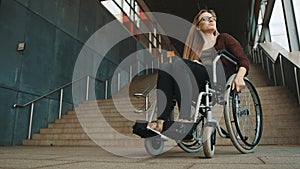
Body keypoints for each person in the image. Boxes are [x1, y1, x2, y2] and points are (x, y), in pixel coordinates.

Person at [148, 9, 250, 132]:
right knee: (166, 67)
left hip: (220, 79)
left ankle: (185, 119)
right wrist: (195, 65)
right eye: (205, 19)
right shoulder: (195, 48)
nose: (211, 20)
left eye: (212, 18)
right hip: (200, 84)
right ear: (197, 26)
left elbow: (243, 60)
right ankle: (161, 121)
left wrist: (239, 77)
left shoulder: (224, 39)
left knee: (180, 63)